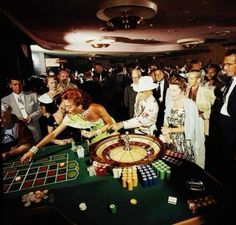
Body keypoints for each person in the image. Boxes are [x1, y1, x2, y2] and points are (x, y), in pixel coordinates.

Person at [20, 88, 115, 163]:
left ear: (80, 105)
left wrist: (94, 132)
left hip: (110, 132)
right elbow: (53, 134)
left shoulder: (96, 108)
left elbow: (110, 123)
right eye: (66, 107)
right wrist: (32, 150)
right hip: (95, 138)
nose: (66, 110)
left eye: (69, 107)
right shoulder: (70, 116)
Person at [161, 76, 202, 166]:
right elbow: (165, 121)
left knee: (183, 169)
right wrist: (166, 134)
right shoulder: (170, 103)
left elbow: (189, 128)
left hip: (183, 142)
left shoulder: (189, 105)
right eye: (170, 90)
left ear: (183, 89)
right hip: (170, 141)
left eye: (174, 90)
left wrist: (170, 130)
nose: (171, 93)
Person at [1, 76, 42, 142]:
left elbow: (40, 110)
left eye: (20, 84)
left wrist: (32, 117)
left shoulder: (33, 95)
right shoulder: (4, 100)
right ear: (10, 85)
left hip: (34, 130)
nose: (18, 87)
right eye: (15, 85)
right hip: (18, 134)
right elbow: (4, 117)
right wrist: (16, 119)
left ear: (23, 84)